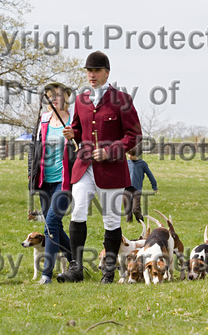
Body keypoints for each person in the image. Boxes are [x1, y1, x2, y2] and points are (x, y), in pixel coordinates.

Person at [57, 51, 142, 284]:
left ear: (106, 72)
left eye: (95, 71)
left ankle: (109, 270)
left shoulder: (122, 100)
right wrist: (71, 133)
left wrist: (109, 151)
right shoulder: (81, 100)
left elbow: (134, 135)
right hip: (84, 166)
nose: (91, 75)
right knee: (78, 212)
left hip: (111, 170)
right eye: (88, 71)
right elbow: (77, 129)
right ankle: (76, 268)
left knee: (111, 220)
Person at [28, 83, 75, 284]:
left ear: (67, 97)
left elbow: (82, 147)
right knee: (52, 224)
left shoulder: (74, 120)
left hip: (65, 180)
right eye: (50, 95)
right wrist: (31, 173)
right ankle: (75, 261)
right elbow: (34, 147)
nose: (54, 98)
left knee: (52, 222)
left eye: (59, 95)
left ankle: (47, 274)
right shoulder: (43, 120)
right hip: (44, 180)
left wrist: (74, 136)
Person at [123, 147, 158, 223]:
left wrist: (154, 186)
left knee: (136, 208)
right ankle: (129, 222)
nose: (130, 156)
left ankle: (140, 220)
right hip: (125, 189)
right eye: (129, 154)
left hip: (136, 189)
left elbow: (150, 175)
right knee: (127, 208)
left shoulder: (142, 164)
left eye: (132, 155)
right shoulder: (126, 163)